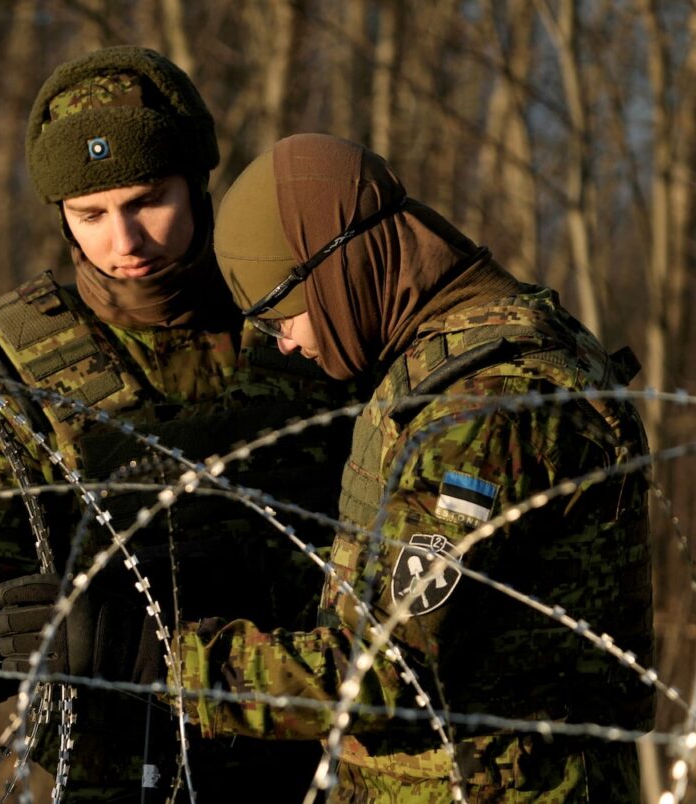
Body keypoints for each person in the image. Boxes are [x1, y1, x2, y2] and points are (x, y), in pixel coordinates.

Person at [0, 50, 354, 801]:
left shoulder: (306, 315)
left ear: (196, 183)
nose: (125, 242)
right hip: (115, 755)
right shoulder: (29, 361)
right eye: (91, 215)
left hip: (307, 740)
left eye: (148, 200)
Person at [116, 133, 653, 800]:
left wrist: (162, 662)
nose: (285, 342)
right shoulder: (464, 355)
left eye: (283, 313)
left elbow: (383, 668)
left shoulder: (484, 406)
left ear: (338, 263)